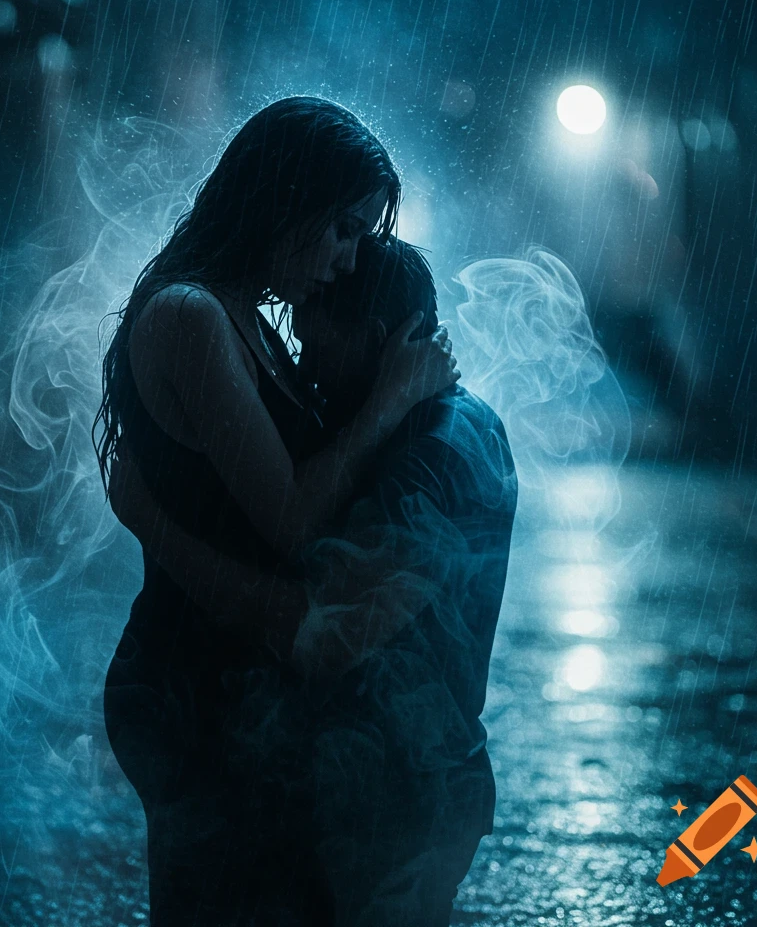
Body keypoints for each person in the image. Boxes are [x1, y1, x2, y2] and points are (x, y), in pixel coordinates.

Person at [95, 96, 460, 926]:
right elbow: (293, 522)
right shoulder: (190, 316)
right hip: (190, 685)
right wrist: (392, 399)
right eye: (339, 229)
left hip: (246, 686)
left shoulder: (244, 318)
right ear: (283, 202)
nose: (344, 261)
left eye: (360, 238)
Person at [114, 234, 518, 926]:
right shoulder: (425, 427)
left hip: (394, 805)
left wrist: (154, 524)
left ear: (378, 337)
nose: (304, 367)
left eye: (316, 344)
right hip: (373, 790)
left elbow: (328, 634)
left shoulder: (436, 456)